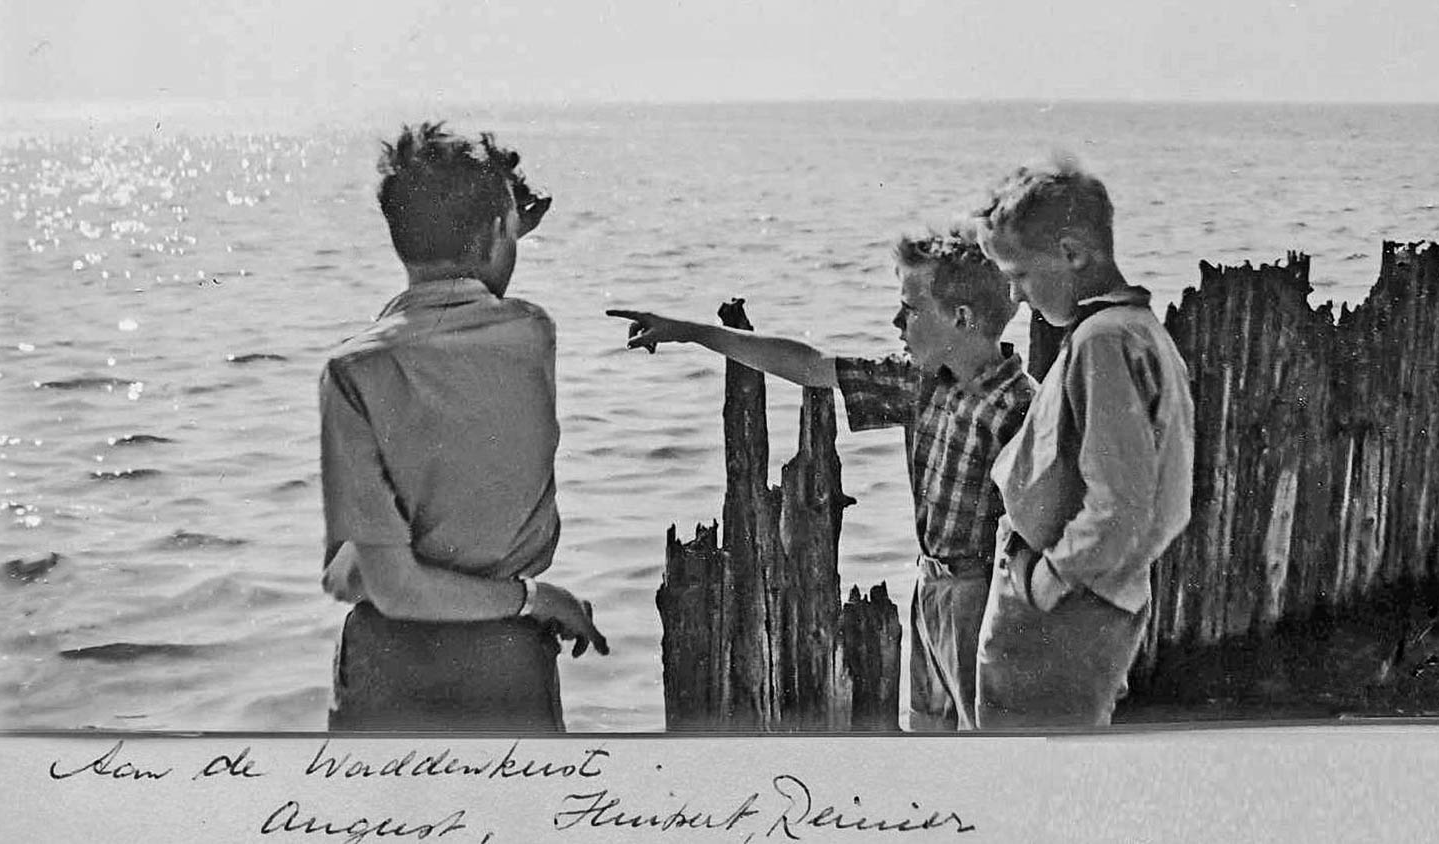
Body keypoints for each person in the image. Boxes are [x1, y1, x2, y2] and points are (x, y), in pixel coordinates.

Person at [608, 230, 1034, 731]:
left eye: (910, 310)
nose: (896, 323)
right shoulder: (919, 381)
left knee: (986, 737)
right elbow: (810, 366)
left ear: (961, 318)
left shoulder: (1019, 409)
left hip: (980, 595)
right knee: (929, 732)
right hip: (930, 586)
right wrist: (691, 332)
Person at [319, 122, 607, 732]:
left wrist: (358, 565)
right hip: (506, 660)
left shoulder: (354, 370)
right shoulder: (532, 335)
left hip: (389, 668)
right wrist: (537, 597)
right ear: (503, 230)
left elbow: (391, 588)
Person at [974, 154, 1194, 727]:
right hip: (1099, 596)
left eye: (1020, 275)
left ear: (1072, 253)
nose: (1015, 295)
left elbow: (1119, 503)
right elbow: (1165, 502)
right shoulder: (1141, 332)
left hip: (1064, 609)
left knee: (1019, 757)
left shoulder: (1103, 340)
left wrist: (1049, 581)